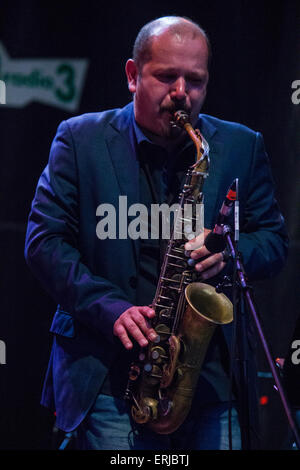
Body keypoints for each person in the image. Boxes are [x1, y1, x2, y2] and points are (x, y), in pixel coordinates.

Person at [24, 16, 288, 450]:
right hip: (106, 376)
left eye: (195, 80)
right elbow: (44, 244)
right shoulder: (79, 139)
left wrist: (227, 250)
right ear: (133, 75)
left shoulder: (241, 146)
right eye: (167, 77)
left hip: (208, 384)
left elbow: (274, 242)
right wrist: (110, 309)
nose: (182, 92)